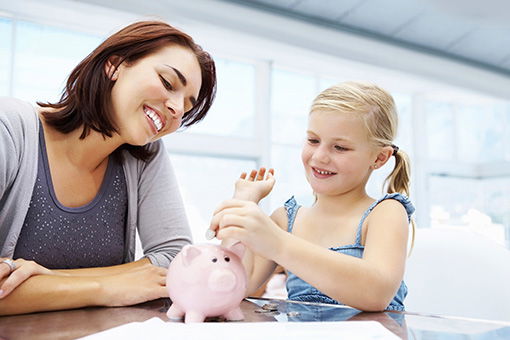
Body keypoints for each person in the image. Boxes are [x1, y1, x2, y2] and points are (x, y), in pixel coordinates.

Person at [0, 20, 216, 315]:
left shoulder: (146, 155)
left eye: (187, 107)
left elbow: (175, 260)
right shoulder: (8, 129)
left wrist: (50, 282)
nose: (177, 109)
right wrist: (108, 287)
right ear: (114, 65)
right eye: (167, 83)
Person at [210, 82, 415, 312]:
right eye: (313, 140)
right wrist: (242, 205)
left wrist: (277, 242)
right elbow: (233, 285)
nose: (319, 156)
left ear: (379, 158)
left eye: (340, 147)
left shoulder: (385, 213)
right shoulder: (286, 220)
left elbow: (376, 293)